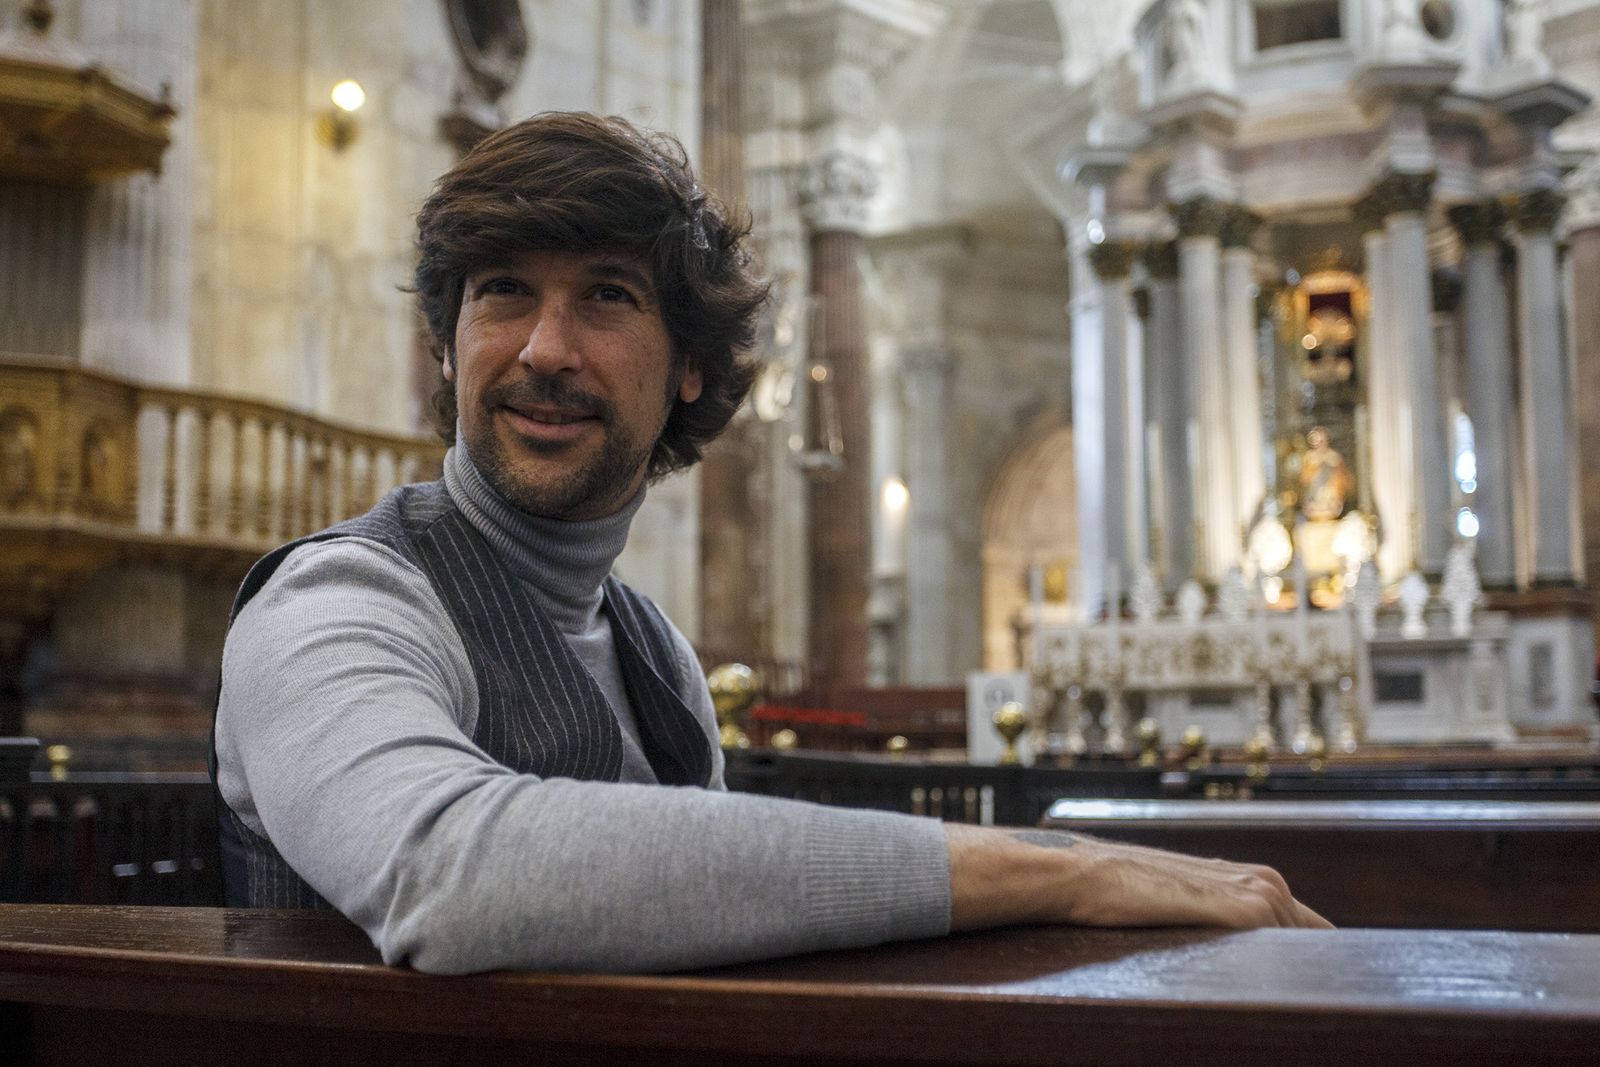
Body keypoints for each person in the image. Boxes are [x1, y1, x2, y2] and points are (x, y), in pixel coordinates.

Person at [210, 111, 1329, 977]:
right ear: (447, 347)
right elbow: (446, 874)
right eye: (504, 293)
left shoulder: (657, 658)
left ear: (689, 366)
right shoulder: (336, 600)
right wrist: (1060, 868)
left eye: (605, 296)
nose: (545, 348)